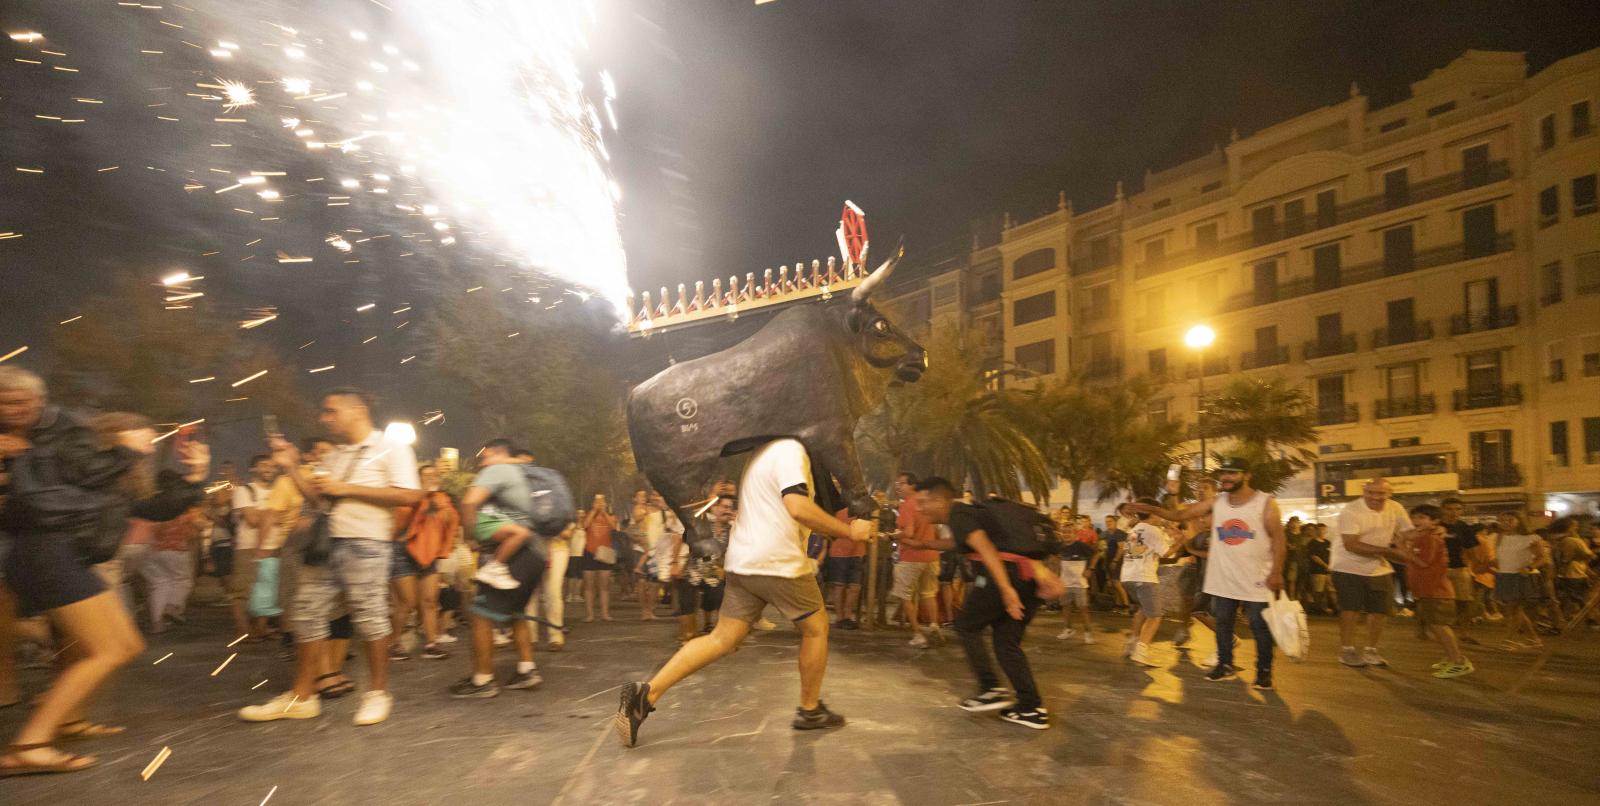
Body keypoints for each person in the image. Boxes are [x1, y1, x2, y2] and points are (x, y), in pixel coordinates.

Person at [1, 370, 209, 776]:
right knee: (108, 648)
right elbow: (53, 492)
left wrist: (197, 476)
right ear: (119, 438)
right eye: (144, 438)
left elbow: (155, 507)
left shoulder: (100, 469)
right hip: (48, 554)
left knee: (123, 645)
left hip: (67, 556)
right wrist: (123, 454)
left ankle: (65, 719)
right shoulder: (70, 451)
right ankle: (31, 743)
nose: (151, 445)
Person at [614, 438, 869, 746]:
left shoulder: (760, 454)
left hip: (743, 562)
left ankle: (646, 694)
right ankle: (810, 709)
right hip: (778, 562)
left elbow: (778, 512)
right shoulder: (791, 450)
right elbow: (797, 507)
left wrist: (827, 527)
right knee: (817, 628)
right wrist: (849, 532)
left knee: (722, 638)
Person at [238, 388, 421, 727]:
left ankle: (378, 693)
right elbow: (322, 500)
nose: (324, 418)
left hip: (367, 543)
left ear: (358, 409)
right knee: (306, 613)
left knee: (370, 615)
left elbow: (411, 495)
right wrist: (292, 467)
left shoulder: (391, 446)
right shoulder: (336, 454)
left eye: (331, 411)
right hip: (327, 545)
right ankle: (302, 697)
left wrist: (346, 489)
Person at [908, 478, 1062, 729]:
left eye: (923, 503)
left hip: (1004, 576)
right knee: (1006, 643)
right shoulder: (969, 516)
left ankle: (990, 688)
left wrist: (1006, 590)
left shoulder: (959, 514)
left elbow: (986, 549)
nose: (920, 509)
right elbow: (958, 544)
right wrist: (922, 544)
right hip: (1028, 578)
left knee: (966, 625)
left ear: (940, 499)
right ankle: (1032, 708)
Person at [1131, 457, 1286, 689]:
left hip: (1256, 578)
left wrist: (1276, 571)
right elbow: (1181, 516)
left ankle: (1264, 672)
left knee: (1259, 627)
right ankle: (1224, 664)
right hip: (1223, 578)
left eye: (1233, 473)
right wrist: (1152, 508)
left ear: (1247, 475)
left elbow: (1279, 539)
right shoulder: (1218, 502)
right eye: (1223, 473)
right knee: (1222, 623)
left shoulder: (1265, 503)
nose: (1226, 477)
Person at [447, 440, 546, 698]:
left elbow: (469, 503)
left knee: (481, 614)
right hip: (535, 552)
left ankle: (483, 681)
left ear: (496, 453)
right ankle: (527, 671)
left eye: (485, 455)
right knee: (515, 613)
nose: (482, 461)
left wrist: (470, 537)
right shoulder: (524, 474)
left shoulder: (498, 469)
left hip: (516, 553)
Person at [1331, 479, 1411, 668]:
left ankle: (1371, 651)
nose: (1376, 497)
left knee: (1380, 610)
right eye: (1371, 493)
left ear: (1389, 494)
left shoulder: (1395, 508)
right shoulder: (1351, 510)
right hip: (1347, 565)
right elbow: (1351, 544)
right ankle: (1347, 650)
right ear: (1364, 492)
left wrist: (1430, 531)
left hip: (1379, 566)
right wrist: (1390, 552)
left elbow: (1408, 533)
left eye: (1381, 494)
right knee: (1350, 609)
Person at [389, 464, 457, 661]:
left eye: (434, 475)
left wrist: (438, 504)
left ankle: (431, 643)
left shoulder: (442, 499)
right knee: (407, 603)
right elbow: (398, 523)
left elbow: (449, 522)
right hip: (402, 552)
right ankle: (393, 643)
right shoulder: (406, 497)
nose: (431, 478)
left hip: (429, 553)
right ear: (416, 478)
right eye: (426, 475)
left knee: (430, 601)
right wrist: (421, 495)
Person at [1404, 504, 1473, 678]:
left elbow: (1424, 562)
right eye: (1415, 517)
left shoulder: (1431, 538)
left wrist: (1402, 548)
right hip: (1428, 589)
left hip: (1436, 590)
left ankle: (1458, 662)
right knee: (1437, 626)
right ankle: (1452, 658)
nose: (1416, 521)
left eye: (1422, 517)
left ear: (1434, 521)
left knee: (1441, 626)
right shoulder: (1426, 536)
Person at [890, 472, 943, 648]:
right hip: (932, 556)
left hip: (911, 556)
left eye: (902, 483)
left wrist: (893, 535)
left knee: (904, 595)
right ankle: (934, 626)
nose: (898, 487)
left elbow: (908, 532)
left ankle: (918, 634)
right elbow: (937, 531)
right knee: (928, 593)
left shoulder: (907, 505)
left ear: (913, 485)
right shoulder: (927, 502)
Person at [230, 455, 279, 641]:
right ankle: (242, 630)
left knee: (268, 589)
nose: (268, 468)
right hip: (248, 546)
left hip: (274, 546)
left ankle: (261, 628)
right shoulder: (245, 490)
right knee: (242, 590)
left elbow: (287, 517)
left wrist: (265, 515)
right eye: (263, 464)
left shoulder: (278, 490)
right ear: (253, 469)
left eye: (272, 466)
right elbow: (252, 520)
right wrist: (273, 515)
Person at [675, 495, 733, 641]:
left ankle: (718, 632)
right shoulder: (702, 523)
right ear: (715, 508)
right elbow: (684, 538)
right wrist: (674, 563)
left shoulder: (732, 529)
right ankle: (687, 636)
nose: (728, 510)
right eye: (725, 507)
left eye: (730, 508)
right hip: (694, 568)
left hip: (716, 573)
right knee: (686, 599)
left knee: (719, 597)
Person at [1120, 500, 1169, 667]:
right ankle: (1141, 652)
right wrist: (1181, 540)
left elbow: (1139, 551)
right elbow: (1167, 554)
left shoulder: (1134, 529)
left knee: (1142, 609)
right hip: (1144, 578)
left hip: (1128, 577)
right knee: (1155, 616)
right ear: (1153, 513)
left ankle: (1132, 643)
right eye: (1159, 512)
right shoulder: (1153, 530)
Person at [142, 506, 201, 633]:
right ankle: (172, 607)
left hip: (155, 552)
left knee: (160, 585)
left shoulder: (154, 513)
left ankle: (157, 623)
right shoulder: (183, 515)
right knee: (184, 581)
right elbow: (194, 532)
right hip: (176, 551)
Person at [1493, 511, 1544, 649]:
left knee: (1513, 608)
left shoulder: (1531, 538)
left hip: (1521, 576)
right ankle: (1533, 638)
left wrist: (1529, 567)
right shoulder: (1499, 537)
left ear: (1519, 520)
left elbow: (1542, 558)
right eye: (1502, 520)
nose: (1506, 523)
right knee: (1514, 609)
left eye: (1510, 519)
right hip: (1504, 575)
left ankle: (1509, 640)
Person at [1439, 498, 1487, 630]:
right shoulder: (1435, 526)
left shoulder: (1464, 528)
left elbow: (1471, 549)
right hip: (1438, 569)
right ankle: (1432, 629)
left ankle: (1464, 633)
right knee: (1437, 601)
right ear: (1442, 509)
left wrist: (1476, 566)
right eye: (1449, 509)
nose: (1453, 512)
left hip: (1460, 568)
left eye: (1457, 509)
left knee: (1464, 601)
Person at [1055, 515, 1097, 644]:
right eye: (1064, 532)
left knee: (1083, 609)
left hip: (1079, 584)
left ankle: (1088, 633)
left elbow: (1096, 554)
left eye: (1069, 532)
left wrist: (1090, 569)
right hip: (1064, 583)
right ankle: (1067, 629)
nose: (1066, 535)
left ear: (1075, 534)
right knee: (1066, 607)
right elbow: (1056, 562)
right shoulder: (1059, 547)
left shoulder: (1081, 546)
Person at [823, 503, 866, 629]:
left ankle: (847, 616)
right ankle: (840, 617)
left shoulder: (862, 508)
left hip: (857, 550)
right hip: (838, 551)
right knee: (838, 585)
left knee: (854, 586)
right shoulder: (834, 506)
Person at [581, 495, 617, 622]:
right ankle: (590, 615)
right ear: (593, 503)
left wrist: (603, 512)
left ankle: (605, 614)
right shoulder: (588, 515)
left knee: (604, 586)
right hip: (590, 551)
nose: (600, 503)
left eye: (602, 501)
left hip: (605, 552)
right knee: (589, 585)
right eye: (597, 501)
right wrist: (594, 511)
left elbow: (613, 527)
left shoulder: (610, 515)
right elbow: (584, 525)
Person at [1305, 523, 1335, 614]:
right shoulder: (1312, 543)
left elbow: (1332, 555)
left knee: (1331, 590)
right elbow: (1314, 556)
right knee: (1319, 591)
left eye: (1324, 529)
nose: (1322, 531)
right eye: (1320, 529)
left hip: (1328, 571)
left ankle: (1333, 607)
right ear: (1317, 530)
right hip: (1317, 570)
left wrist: (1331, 566)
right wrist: (1325, 565)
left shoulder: (1328, 542)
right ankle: (1319, 608)